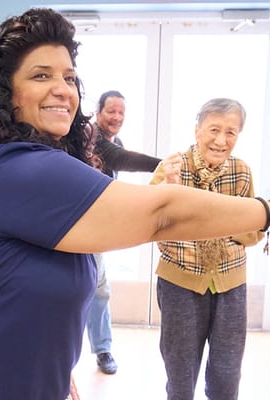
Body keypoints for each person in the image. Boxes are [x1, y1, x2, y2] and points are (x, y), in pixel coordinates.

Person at [0, 8, 270, 400]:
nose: (63, 88)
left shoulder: (28, 165)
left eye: (68, 77)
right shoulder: (11, 168)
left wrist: (51, 375)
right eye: (41, 75)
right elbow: (161, 215)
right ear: (3, 94)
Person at [148, 98, 259, 399]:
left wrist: (218, 225)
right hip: (179, 282)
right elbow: (150, 226)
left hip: (231, 283)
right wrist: (171, 187)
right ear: (197, 129)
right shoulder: (172, 167)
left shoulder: (242, 172)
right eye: (214, 129)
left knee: (227, 372)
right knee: (180, 373)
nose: (221, 140)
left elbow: (254, 233)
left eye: (231, 132)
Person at [85, 89, 161, 375]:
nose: (116, 117)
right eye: (111, 111)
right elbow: (121, 159)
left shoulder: (113, 141)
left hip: (98, 228)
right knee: (96, 288)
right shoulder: (92, 136)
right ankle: (100, 349)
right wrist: (163, 164)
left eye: (121, 113)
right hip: (79, 225)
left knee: (98, 289)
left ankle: (102, 349)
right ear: (98, 111)